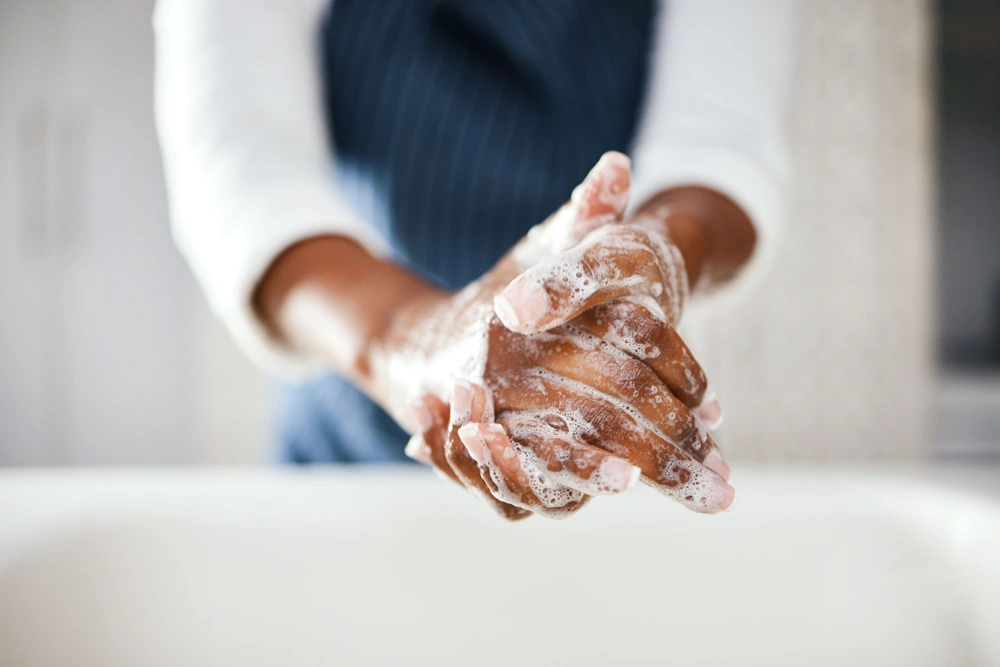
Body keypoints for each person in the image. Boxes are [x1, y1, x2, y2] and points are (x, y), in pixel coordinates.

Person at [154, 0, 797, 519]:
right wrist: (413, 341)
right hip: (345, 455)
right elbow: (246, 170)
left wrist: (656, 250)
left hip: (607, 440)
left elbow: (720, 138)